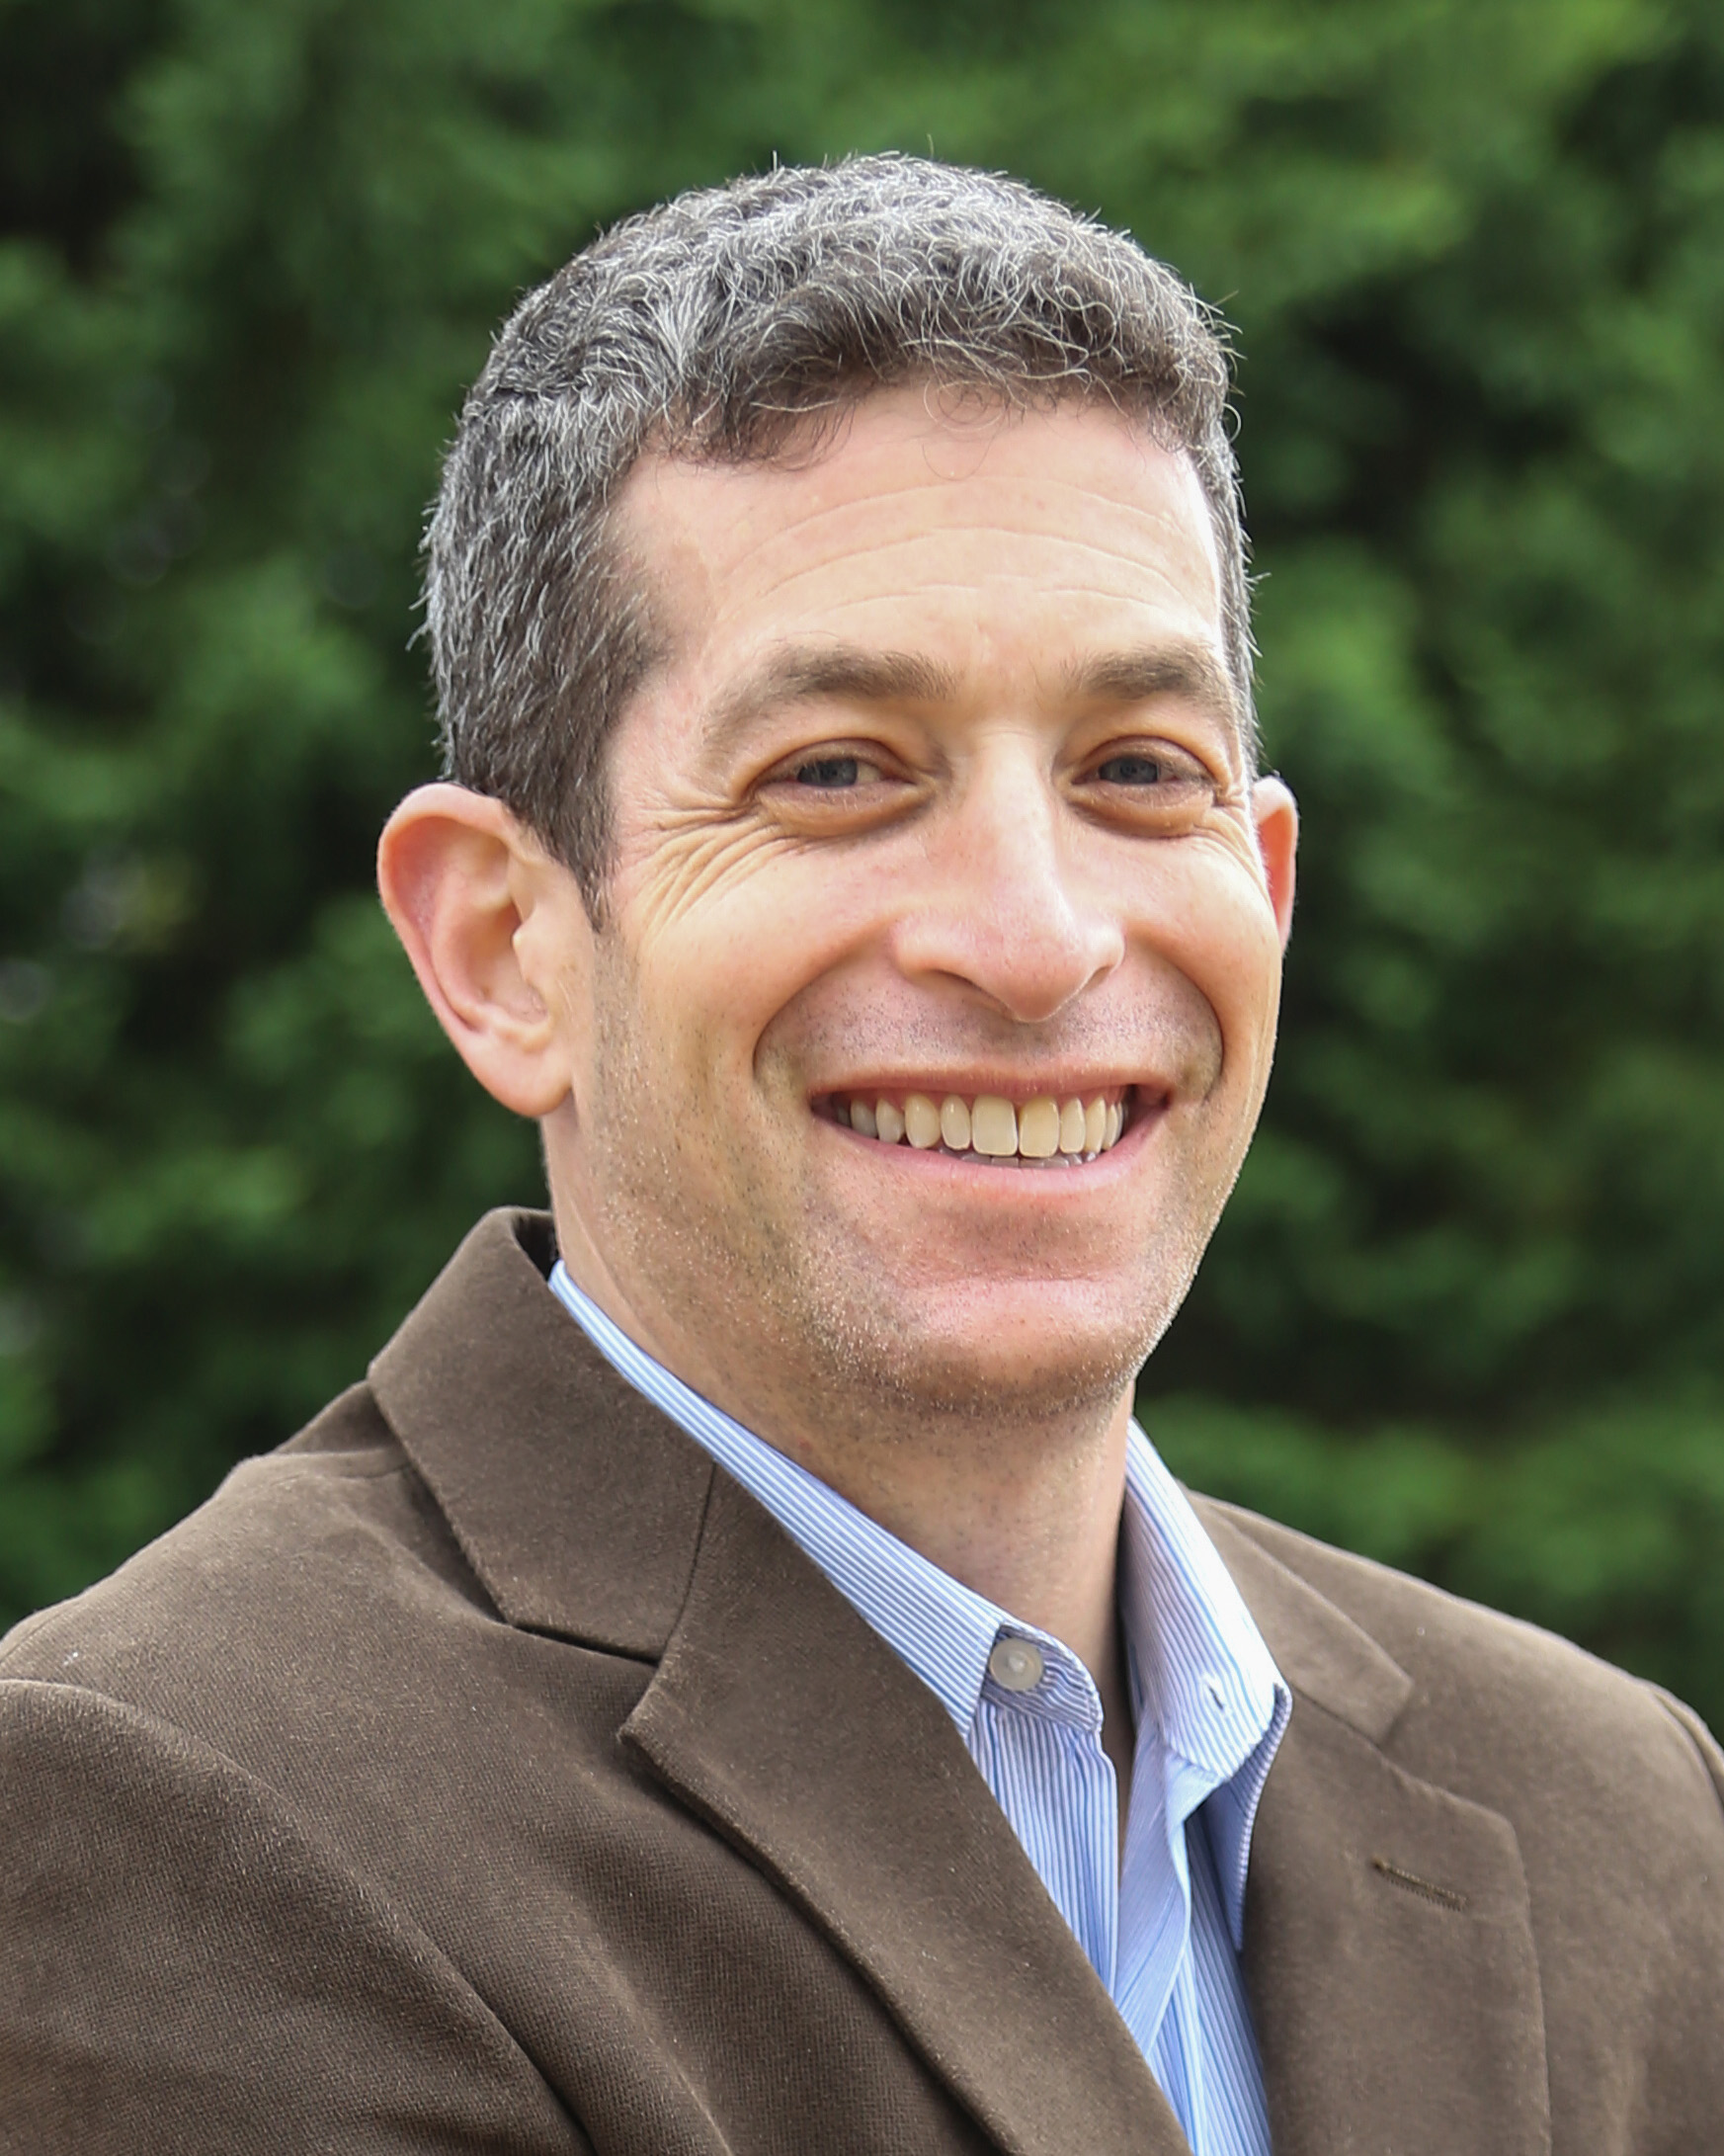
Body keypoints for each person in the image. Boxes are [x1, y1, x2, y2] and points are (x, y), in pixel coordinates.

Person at [2, 156, 1719, 2156]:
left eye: (1132, 771)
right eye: (838, 773)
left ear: (1262, 885)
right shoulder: (177, 1805)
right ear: (503, 946)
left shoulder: (1617, 1810)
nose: (1035, 934)